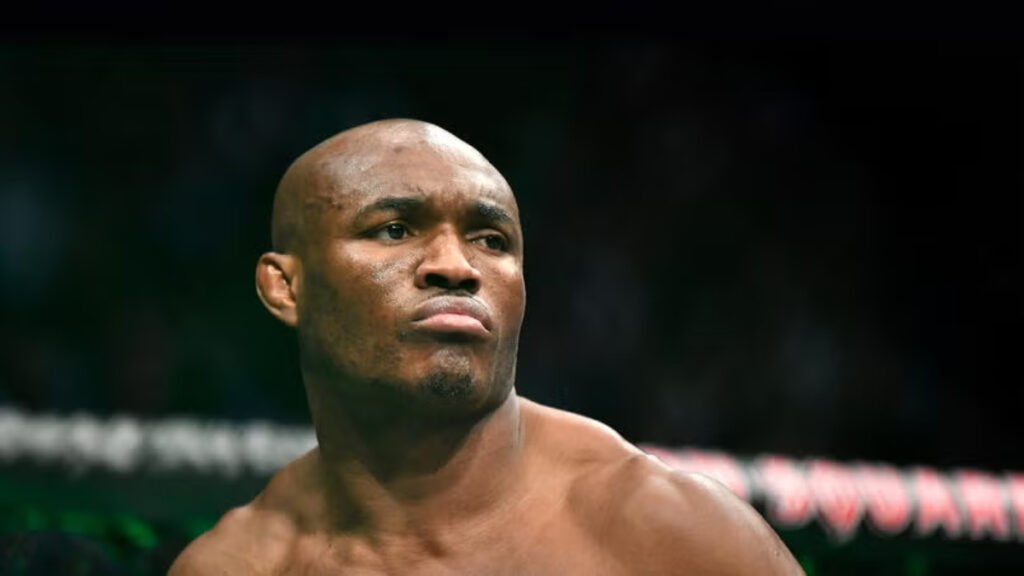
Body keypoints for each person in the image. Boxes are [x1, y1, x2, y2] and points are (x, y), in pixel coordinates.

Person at [169, 119, 803, 575]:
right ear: (285, 288)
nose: (456, 265)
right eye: (394, 229)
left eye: (491, 240)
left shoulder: (660, 531)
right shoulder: (241, 565)